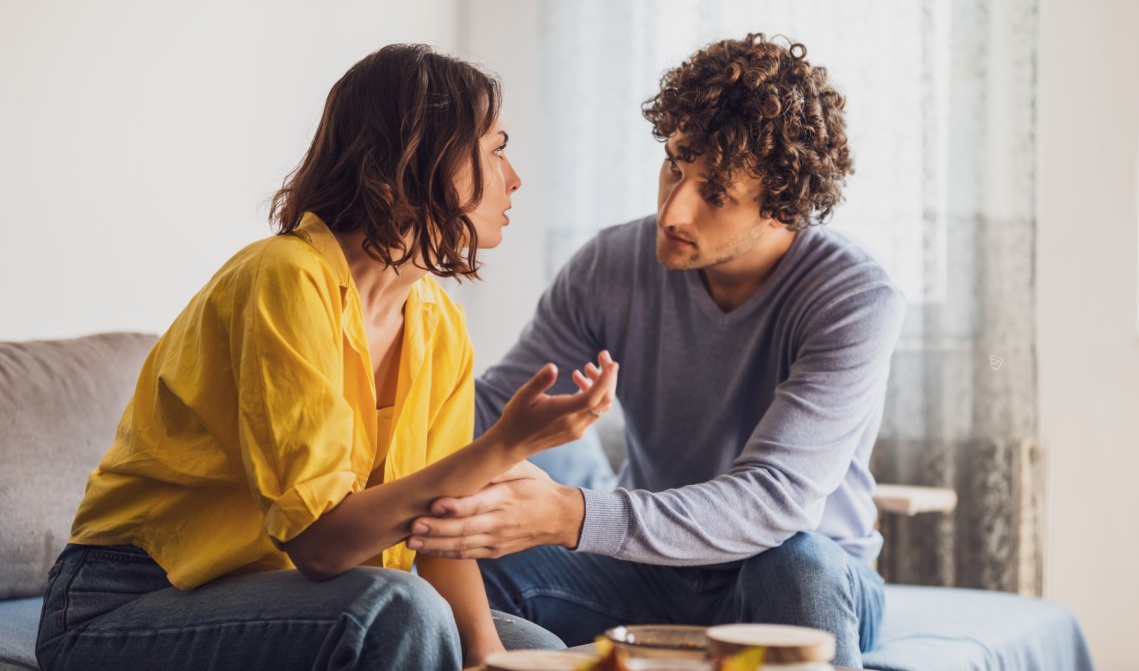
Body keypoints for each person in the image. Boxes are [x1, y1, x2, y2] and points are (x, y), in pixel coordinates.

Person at [35, 44, 618, 671]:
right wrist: (505, 445)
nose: (515, 177)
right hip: (123, 599)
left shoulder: (438, 322)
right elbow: (320, 544)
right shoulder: (285, 277)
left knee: (536, 651)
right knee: (399, 611)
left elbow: (439, 528)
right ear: (416, 155)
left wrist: (487, 658)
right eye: (496, 148)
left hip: (276, 592)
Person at [406, 34, 907, 668]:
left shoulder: (855, 295)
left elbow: (775, 498)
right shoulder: (612, 263)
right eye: (675, 164)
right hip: (646, 571)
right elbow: (493, 407)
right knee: (444, 543)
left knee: (798, 561)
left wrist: (571, 515)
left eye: (716, 193)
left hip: (789, 572)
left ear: (783, 206)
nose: (673, 210)